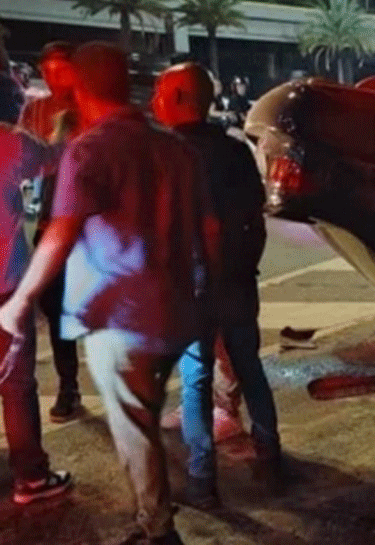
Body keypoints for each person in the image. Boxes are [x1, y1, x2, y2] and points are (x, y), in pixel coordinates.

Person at [0, 42, 220, 545]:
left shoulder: (89, 150)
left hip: (122, 319)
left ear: (80, 89)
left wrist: (21, 300)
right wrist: (208, 292)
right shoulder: (177, 149)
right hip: (177, 310)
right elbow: (209, 231)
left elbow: (60, 231)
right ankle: (172, 505)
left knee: (134, 430)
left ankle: (158, 530)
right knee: (148, 417)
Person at [151, 62, 280, 509]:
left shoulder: (164, 156)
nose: (154, 100)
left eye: (161, 91)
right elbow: (256, 215)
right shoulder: (235, 151)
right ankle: (270, 454)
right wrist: (244, 267)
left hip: (191, 285)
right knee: (249, 366)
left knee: (196, 378)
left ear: (179, 98)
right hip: (237, 280)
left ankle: (202, 479)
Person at [0, 122, 72, 505]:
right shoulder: (11, 143)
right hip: (5, 288)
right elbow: (53, 157)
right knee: (16, 385)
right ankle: (30, 476)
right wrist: (62, 129)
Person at [17, 40, 85, 423]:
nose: (54, 78)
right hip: (52, 221)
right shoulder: (36, 110)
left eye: (61, 70)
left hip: (96, 225)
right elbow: (25, 164)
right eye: (48, 71)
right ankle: (69, 385)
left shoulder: (92, 106)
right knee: (55, 304)